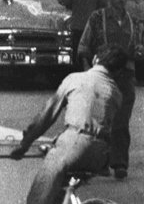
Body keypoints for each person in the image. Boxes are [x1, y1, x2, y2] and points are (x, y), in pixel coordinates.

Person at [10, 49, 130, 204]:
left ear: (95, 59)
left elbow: (47, 116)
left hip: (73, 145)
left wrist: (24, 145)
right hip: (100, 155)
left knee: (40, 193)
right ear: (119, 71)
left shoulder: (74, 79)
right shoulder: (116, 93)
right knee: (61, 187)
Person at [75, 0, 144, 177]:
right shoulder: (97, 18)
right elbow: (84, 46)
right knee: (102, 121)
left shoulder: (134, 21)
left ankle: (120, 164)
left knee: (121, 122)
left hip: (126, 76)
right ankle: (100, 161)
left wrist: (139, 51)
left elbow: (140, 49)